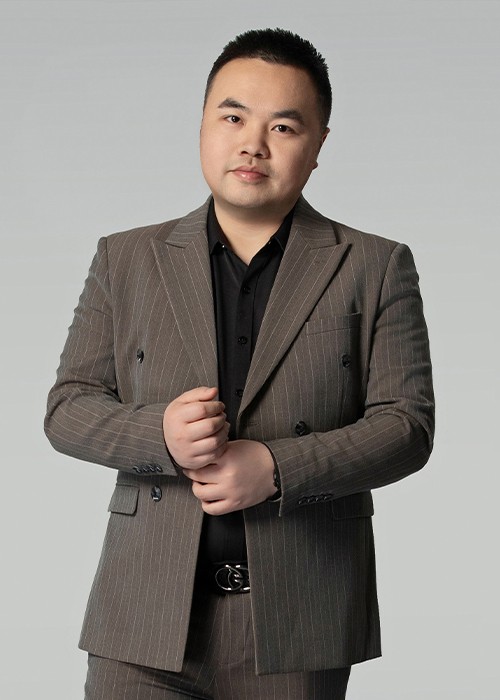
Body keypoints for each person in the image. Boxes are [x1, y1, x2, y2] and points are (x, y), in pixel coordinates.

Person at [45, 28, 434, 700]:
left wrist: (278, 468)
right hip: (141, 621)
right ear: (201, 125)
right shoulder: (126, 258)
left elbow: (407, 427)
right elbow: (66, 409)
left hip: (298, 624)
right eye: (232, 118)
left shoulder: (374, 265)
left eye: (283, 126)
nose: (253, 144)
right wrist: (159, 434)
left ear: (318, 146)